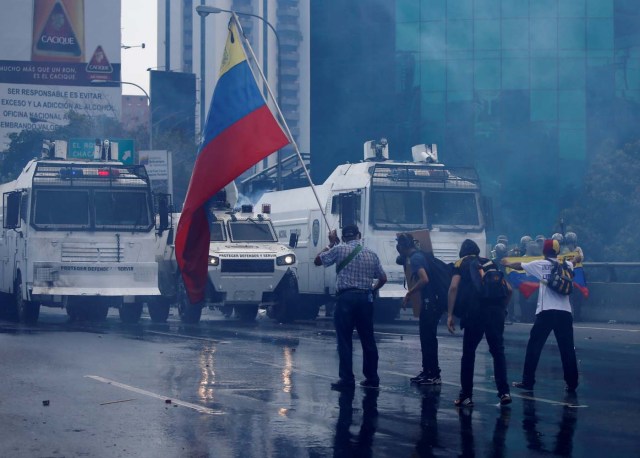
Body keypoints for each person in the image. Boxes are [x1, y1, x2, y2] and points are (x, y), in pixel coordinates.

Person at [315, 225, 387, 391]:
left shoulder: (339, 250)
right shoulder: (371, 254)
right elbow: (383, 278)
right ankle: (372, 378)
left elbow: (318, 260)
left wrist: (331, 244)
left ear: (343, 237)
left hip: (346, 299)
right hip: (365, 299)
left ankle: (347, 379)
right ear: (358, 235)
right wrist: (372, 289)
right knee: (368, 339)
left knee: (345, 340)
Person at [502, 239, 579, 393]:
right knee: (567, 349)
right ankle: (572, 384)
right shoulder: (567, 265)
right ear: (557, 252)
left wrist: (507, 263)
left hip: (547, 312)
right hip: (565, 313)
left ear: (544, 251)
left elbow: (520, 266)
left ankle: (528, 381)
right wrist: (577, 252)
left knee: (534, 347)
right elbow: (577, 259)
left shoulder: (539, 264)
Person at [446, 239, 512, 407]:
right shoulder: (489, 263)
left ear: (462, 252)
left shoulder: (460, 264)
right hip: (495, 312)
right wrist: (502, 310)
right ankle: (504, 392)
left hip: (474, 313)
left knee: (469, 354)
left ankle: (466, 396)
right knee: (498, 352)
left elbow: (453, 287)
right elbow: (509, 290)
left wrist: (450, 314)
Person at [396, 233, 442, 386]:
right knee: (426, 338)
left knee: (428, 338)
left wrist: (409, 292)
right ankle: (427, 371)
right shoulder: (419, 255)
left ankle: (433, 374)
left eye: (399, 245)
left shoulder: (416, 259)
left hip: (430, 303)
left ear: (403, 246)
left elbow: (424, 279)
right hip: (430, 301)